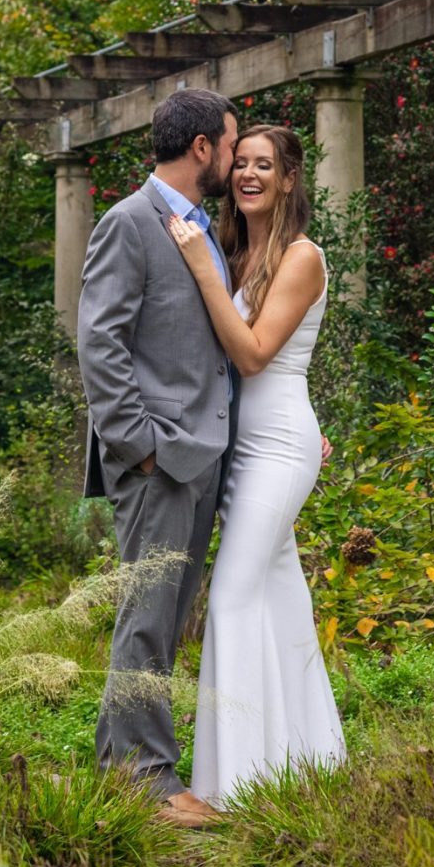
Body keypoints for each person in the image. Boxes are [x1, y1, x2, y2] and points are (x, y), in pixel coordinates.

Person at [163, 122, 347, 810]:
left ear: (289, 179)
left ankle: (227, 790)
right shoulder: (239, 252)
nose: (247, 174)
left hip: (277, 450)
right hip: (242, 449)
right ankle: (308, 765)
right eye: (241, 163)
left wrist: (204, 271)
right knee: (277, 598)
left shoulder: (302, 256)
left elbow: (253, 354)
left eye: (263, 165)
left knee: (234, 598)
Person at [77, 87, 240, 828]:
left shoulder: (201, 228)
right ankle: (149, 778)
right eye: (232, 145)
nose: (236, 161)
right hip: (157, 459)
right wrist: (138, 447)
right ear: (202, 147)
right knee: (148, 617)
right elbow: (100, 342)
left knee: (164, 618)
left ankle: (117, 771)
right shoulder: (128, 222)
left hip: (200, 455)